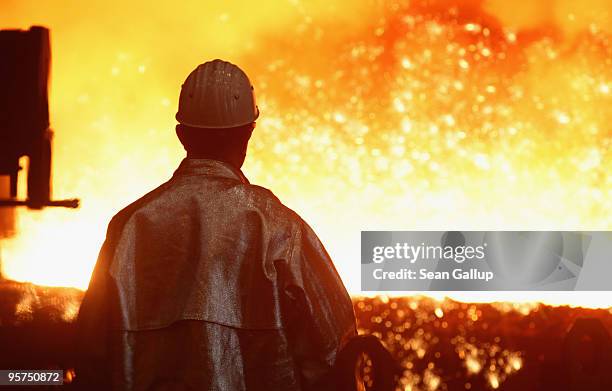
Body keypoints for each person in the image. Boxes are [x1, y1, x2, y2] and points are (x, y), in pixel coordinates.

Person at [74, 59, 357, 390]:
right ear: (249, 132)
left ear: (181, 134)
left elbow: (90, 351)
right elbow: (333, 348)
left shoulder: (128, 226)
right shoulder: (278, 227)